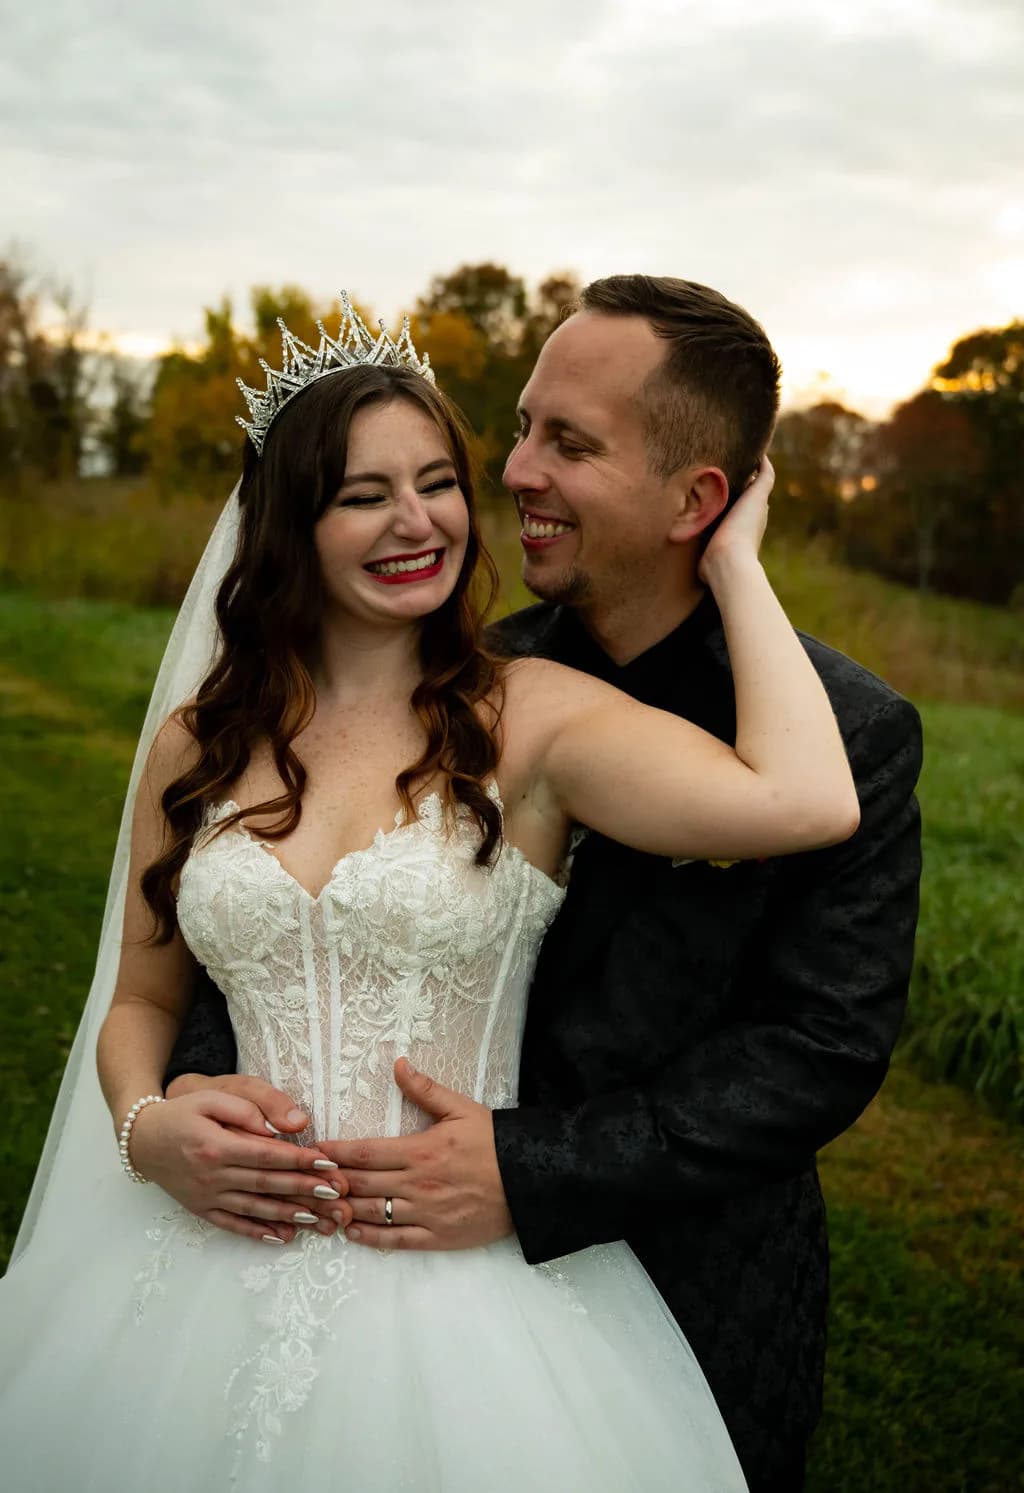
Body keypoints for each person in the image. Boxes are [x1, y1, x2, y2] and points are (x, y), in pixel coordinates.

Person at [0, 293, 860, 1492]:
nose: (418, 520)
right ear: (289, 523)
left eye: (438, 482)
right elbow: (142, 997)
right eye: (364, 494)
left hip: (461, 1284)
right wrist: (146, 1126)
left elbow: (805, 799)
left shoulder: (531, 718)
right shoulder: (197, 743)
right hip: (199, 1256)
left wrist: (733, 564)